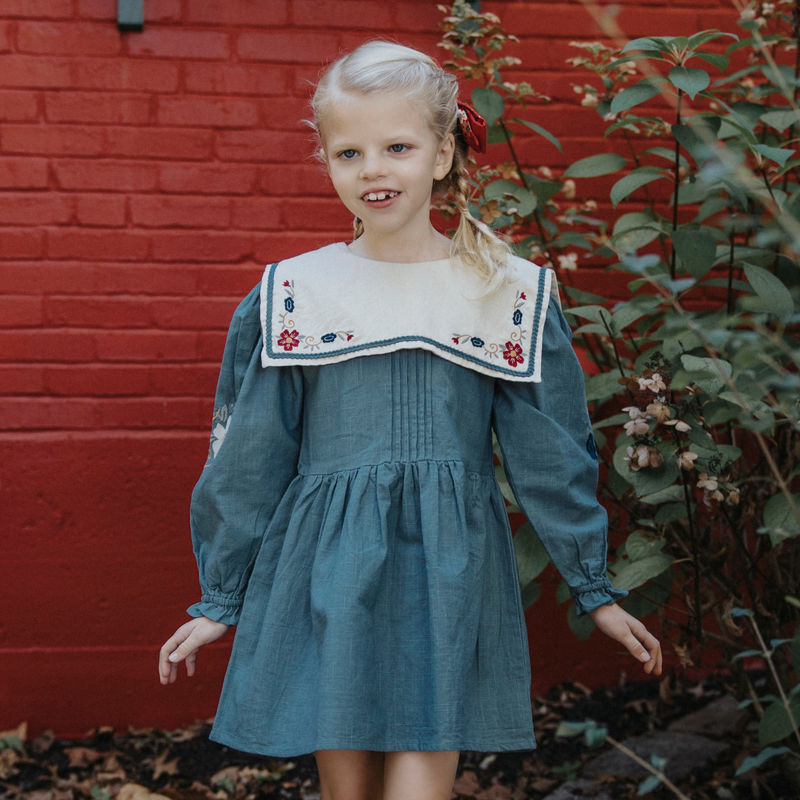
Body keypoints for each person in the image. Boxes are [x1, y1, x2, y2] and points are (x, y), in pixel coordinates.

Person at [158, 40, 662, 800]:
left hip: (449, 569)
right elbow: (251, 454)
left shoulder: (503, 292)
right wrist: (219, 598)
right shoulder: (297, 292)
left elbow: (550, 452)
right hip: (327, 566)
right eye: (348, 151)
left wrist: (595, 587)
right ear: (325, 161)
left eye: (397, 146)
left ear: (443, 152)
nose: (373, 170)